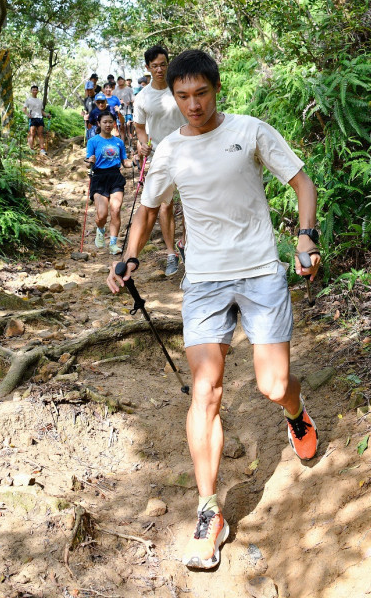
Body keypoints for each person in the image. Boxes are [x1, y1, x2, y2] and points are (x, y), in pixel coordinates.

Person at [107, 49, 322, 571]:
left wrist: (306, 238)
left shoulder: (249, 131)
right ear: (171, 96)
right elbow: (148, 207)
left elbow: (302, 183)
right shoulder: (169, 151)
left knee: (274, 385)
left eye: (201, 93)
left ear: (216, 89)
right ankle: (209, 511)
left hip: (261, 272)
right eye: (183, 96)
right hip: (203, 282)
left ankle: (294, 412)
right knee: (205, 389)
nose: (193, 104)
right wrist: (130, 255)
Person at [133, 45, 185, 276]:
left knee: (195, 200)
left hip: (189, 152)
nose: (160, 69)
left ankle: (187, 245)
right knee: (165, 205)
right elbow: (139, 127)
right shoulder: (142, 97)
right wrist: (142, 144)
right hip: (160, 157)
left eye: (163, 64)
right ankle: (171, 253)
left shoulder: (179, 87)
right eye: (155, 66)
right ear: (147, 68)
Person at [86, 113, 129, 254]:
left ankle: (113, 244)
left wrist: (135, 161)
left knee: (115, 210)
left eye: (110, 122)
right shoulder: (93, 141)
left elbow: (125, 162)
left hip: (115, 176)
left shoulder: (119, 142)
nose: (108, 124)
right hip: (99, 177)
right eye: (105, 122)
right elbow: (88, 162)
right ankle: (100, 229)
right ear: (99, 123)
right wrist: (89, 161)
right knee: (102, 215)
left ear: (114, 123)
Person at [24, 85, 46, 156]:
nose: (35, 91)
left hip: (40, 118)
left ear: (38, 91)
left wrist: (47, 115)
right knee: (32, 134)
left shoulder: (40, 101)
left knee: (40, 134)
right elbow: (24, 109)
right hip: (32, 118)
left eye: (36, 90)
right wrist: (28, 115)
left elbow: (41, 111)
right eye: (33, 90)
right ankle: (31, 149)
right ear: (31, 91)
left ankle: (42, 149)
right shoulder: (28, 100)